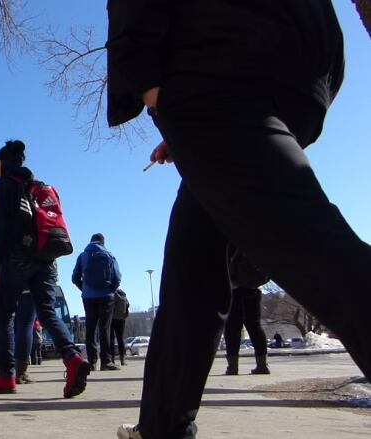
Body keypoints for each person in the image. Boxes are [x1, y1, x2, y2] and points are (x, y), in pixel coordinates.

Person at [107, 2, 371, 438]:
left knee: (306, 241)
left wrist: (148, 82)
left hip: (220, 57)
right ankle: (161, 425)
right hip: (295, 59)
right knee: (193, 262)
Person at [0, 140, 90, 397]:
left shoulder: (3, 187)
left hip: (17, 258)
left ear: (0, 164)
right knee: (47, 313)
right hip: (47, 258)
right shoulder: (41, 186)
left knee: (5, 314)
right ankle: (73, 358)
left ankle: (6, 376)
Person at [72, 233, 122, 371]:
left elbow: (75, 277)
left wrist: (84, 289)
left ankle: (92, 362)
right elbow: (117, 277)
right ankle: (106, 361)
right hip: (106, 296)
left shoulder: (83, 256)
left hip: (88, 297)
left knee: (90, 328)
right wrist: (111, 290)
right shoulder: (109, 255)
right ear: (103, 242)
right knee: (104, 328)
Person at [224, 246, 271, 375]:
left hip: (234, 287)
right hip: (253, 287)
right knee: (255, 326)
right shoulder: (254, 239)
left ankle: (232, 367)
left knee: (232, 327)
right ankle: (262, 365)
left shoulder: (230, 239)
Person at [111, 289, 130, 366]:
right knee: (120, 339)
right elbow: (128, 305)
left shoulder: (112, 293)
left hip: (112, 318)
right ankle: (123, 360)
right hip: (121, 319)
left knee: (111, 339)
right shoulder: (123, 295)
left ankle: (111, 360)